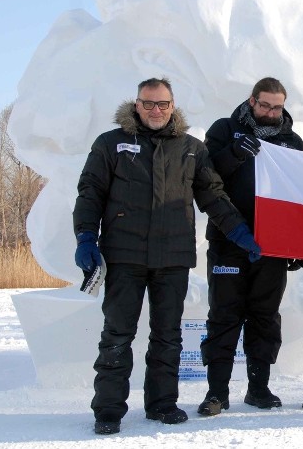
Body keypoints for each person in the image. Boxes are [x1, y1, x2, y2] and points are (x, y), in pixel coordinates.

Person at [73, 77, 260, 435]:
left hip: (172, 258)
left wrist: (240, 234)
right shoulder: (111, 144)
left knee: (168, 335)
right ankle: (108, 410)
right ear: (136, 104)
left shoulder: (191, 148)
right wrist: (85, 237)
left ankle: (162, 403)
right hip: (125, 256)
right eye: (148, 103)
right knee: (117, 334)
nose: (155, 110)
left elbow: (213, 196)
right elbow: (90, 192)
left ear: (173, 106)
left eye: (162, 104)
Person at [198, 77, 303, 416]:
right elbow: (204, 178)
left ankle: (258, 388)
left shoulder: (293, 141)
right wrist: (233, 153)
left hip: (272, 247)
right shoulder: (223, 129)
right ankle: (217, 393)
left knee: (264, 317)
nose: (271, 112)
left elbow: (300, 194)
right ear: (251, 101)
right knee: (224, 316)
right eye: (265, 105)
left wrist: (299, 242)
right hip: (228, 241)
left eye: (277, 107)